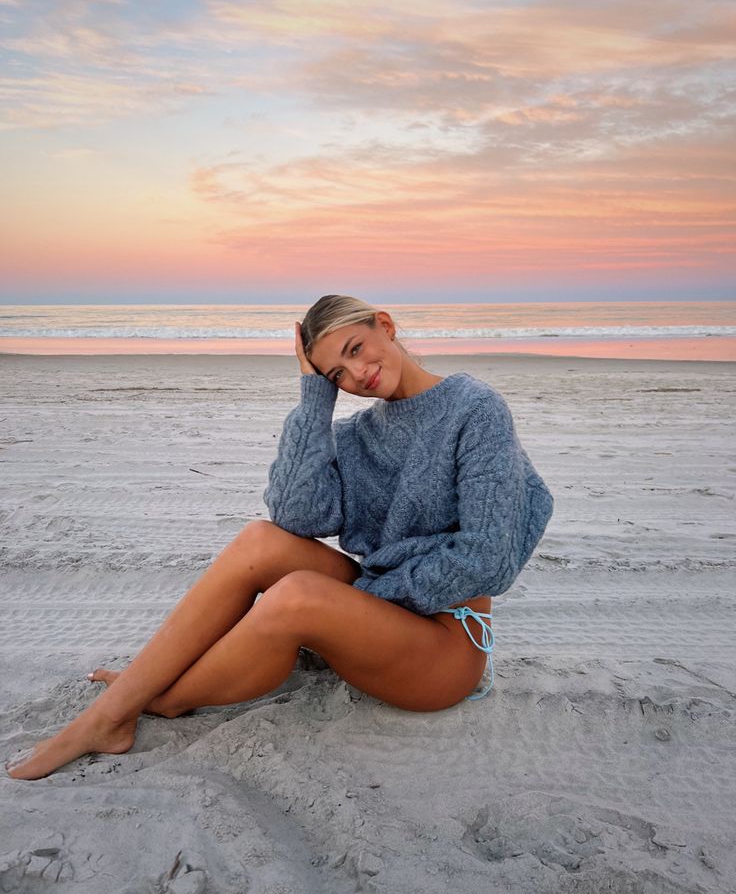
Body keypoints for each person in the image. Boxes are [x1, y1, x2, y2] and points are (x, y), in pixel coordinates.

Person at [7, 295, 553, 781]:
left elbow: (489, 560)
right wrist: (314, 398)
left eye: (358, 348)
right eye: (337, 374)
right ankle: (134, 695)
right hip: (382, 617)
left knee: (296, 595)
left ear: (385, 325)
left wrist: (366, 598)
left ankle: (148, 704)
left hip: (446, 647)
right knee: (260, 541)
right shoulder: (359, 433)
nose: (358, 373)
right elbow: (295, 513)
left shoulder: (474, 408)